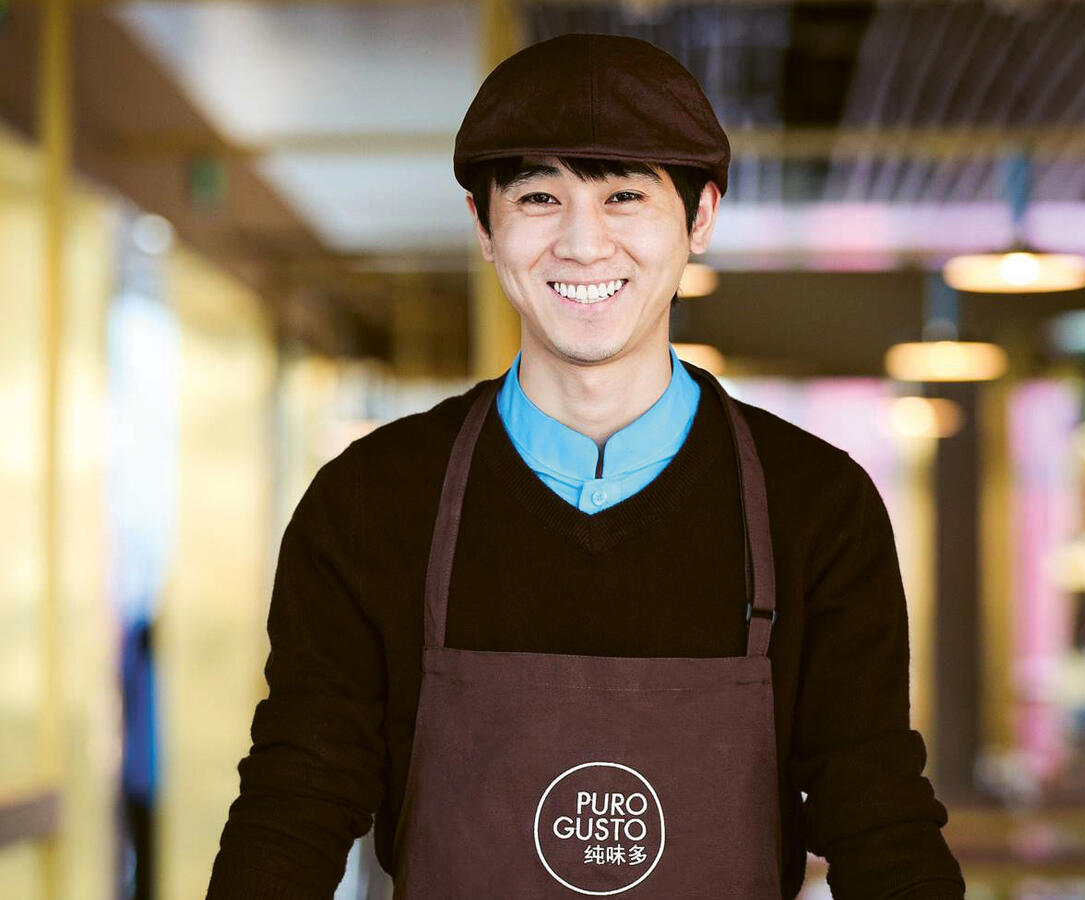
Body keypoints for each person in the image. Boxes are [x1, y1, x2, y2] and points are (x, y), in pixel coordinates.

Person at [206, 33, 966, 900]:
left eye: (625, 196)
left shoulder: (818, 507)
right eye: (539, 196)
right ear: (485, 227)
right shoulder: (371, 501)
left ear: (701, 219)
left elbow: (877, 814)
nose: (583, 242)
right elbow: (294, 803)